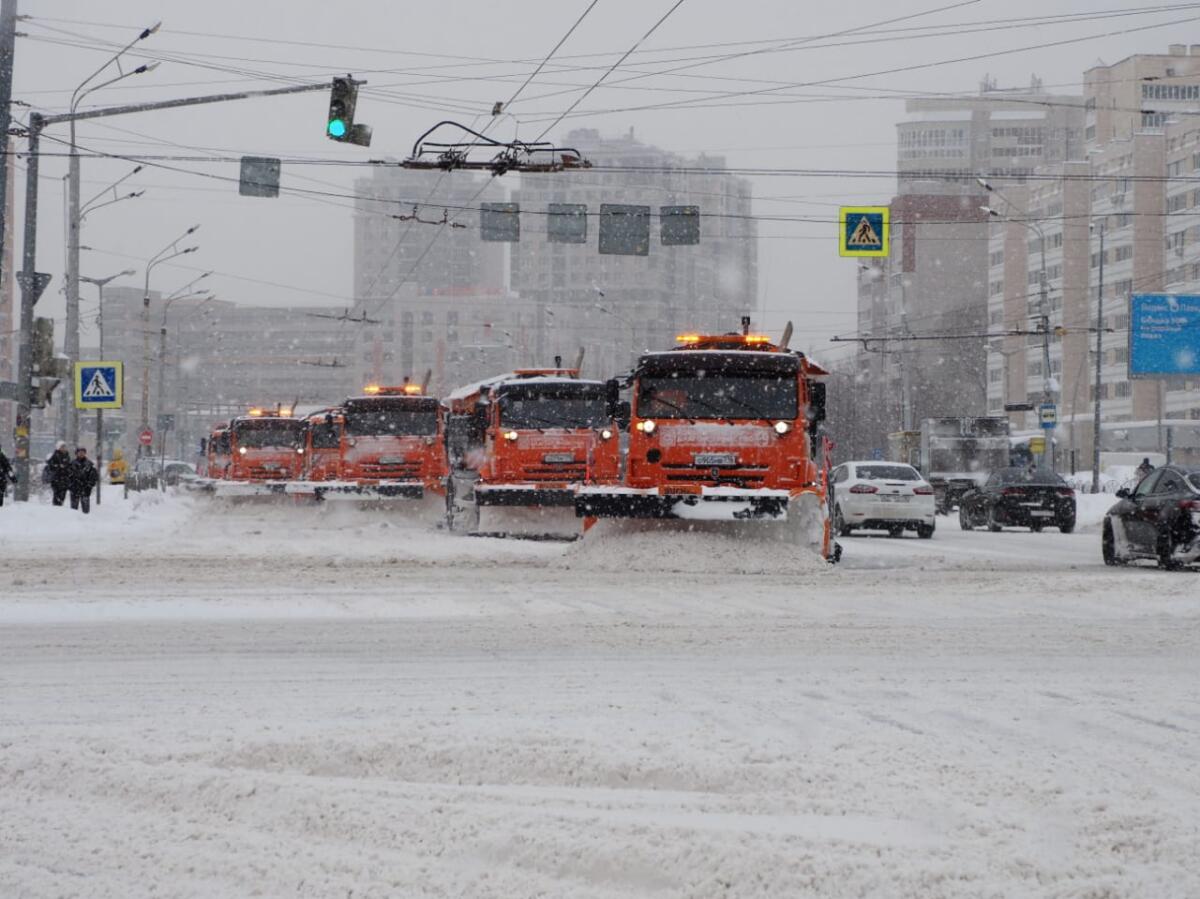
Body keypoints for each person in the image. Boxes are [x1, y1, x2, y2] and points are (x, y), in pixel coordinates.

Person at [68, 446, 99, 514]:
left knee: (86, 510)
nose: (81, 454)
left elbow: (94, 476)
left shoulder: (89, 464)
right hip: (74, 489)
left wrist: (89, 485)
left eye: (83, 452)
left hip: (85, 489)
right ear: (76, 453)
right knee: (73, 509)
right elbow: (68, 476)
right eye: (80, 452)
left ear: (85, 453)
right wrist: (70, 485)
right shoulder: (71, 464)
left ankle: (86, 522)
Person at [45, 441, 72, 506]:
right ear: (58, 448)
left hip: (65, 478)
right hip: (56, 478)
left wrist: (67, 469)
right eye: (62, 447)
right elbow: (50, 464)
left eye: (64, 447)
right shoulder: (55, 455)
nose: (63, 448)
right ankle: (56, 507)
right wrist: (58, 466)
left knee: (63, 494)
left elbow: (68, 465)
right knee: (56, 494)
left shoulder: (67, 455)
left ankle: (60, 506)